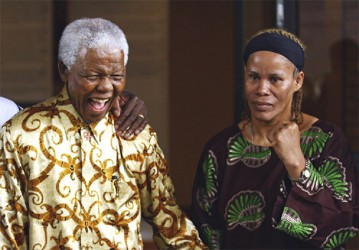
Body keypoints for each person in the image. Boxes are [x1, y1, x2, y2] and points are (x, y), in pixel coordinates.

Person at [0, 18, 206, 249]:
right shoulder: (21, 135)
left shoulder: (136, 135)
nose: (106, 87)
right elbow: (7, 233)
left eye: (116, 76)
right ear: (64, 70)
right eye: (92, 76)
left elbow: (169, 223)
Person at [189, 28, 358, 249]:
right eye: (254, 77)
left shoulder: (327, 141)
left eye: (275, 79)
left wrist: (297, 164)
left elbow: (341, 227)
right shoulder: (220, 150)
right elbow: (205, 232)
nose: (262, 89)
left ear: (297, 81)